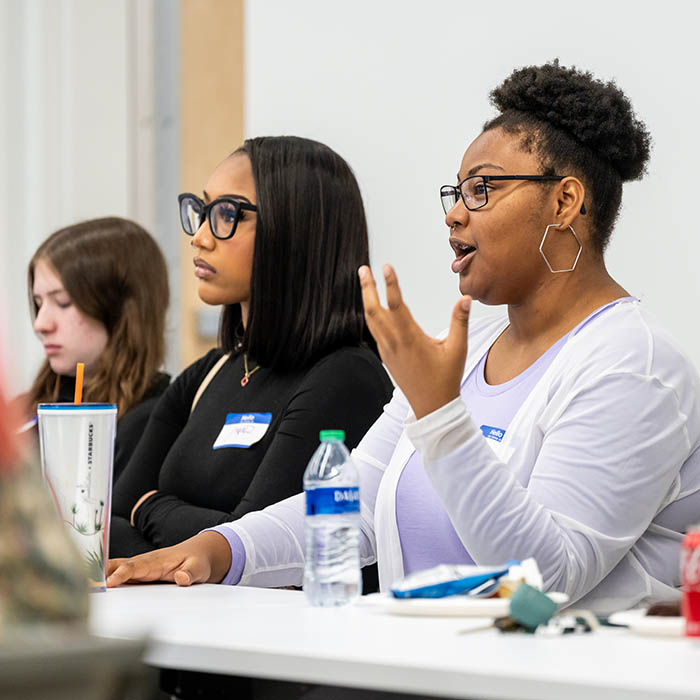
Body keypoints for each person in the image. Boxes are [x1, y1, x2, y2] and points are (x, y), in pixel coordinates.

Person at [107, 62, 700, 615]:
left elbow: (548, 579)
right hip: (422, 669)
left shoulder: (633, 365)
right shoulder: (469, 343)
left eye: (482, 190)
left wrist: (442, 417)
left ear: (565, 201)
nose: (455, 214)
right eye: (456, 192)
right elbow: (356, 504)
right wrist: (218, 550)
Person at [109, 136, 393, 563]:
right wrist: (199, 527)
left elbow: (256, 549)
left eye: (226, 214)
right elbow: (111, 521)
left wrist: (150, 507)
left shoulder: (344, 377)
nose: (200, 237)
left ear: (294, 229)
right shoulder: (212, 369)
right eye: (202, 212)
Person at [24, 217, 171, 482]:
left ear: (121, 309)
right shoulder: (24, 412)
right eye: (38, 302)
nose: (40, 324)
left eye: (63, 302)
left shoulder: (157, 422)